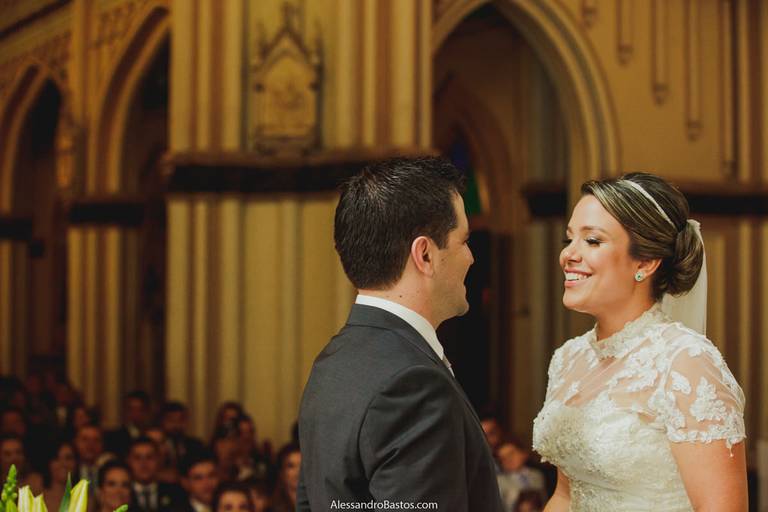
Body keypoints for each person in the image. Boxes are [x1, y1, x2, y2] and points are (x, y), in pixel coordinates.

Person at [297, 157, 503, 511]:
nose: (471, 257)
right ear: (425, 254)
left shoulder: (332, 362)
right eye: (463, 241)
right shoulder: (414, 384)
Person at [532, 173, 747, 511]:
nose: (568, 255)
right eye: (569, 239)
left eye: (592, 241)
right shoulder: (568, 358)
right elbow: (565, 495)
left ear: (645, 263)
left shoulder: (685, 362)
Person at [126, 436, 186, 511]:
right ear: (129, 461)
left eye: (149, 457)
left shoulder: (175, 492)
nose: (143, 463)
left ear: (159, 460)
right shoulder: (123, 492)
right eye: (137, 458)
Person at [42, 439, 78, 511]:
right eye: (57, 459)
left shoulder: (86, 499)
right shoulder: (37, 498)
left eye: (68, 458)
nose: (63, 463)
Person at [270, 443, 300, 512]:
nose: (298, 471)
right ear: (281, 472)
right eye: (291, 466)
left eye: (302, 465)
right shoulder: (273, 508)